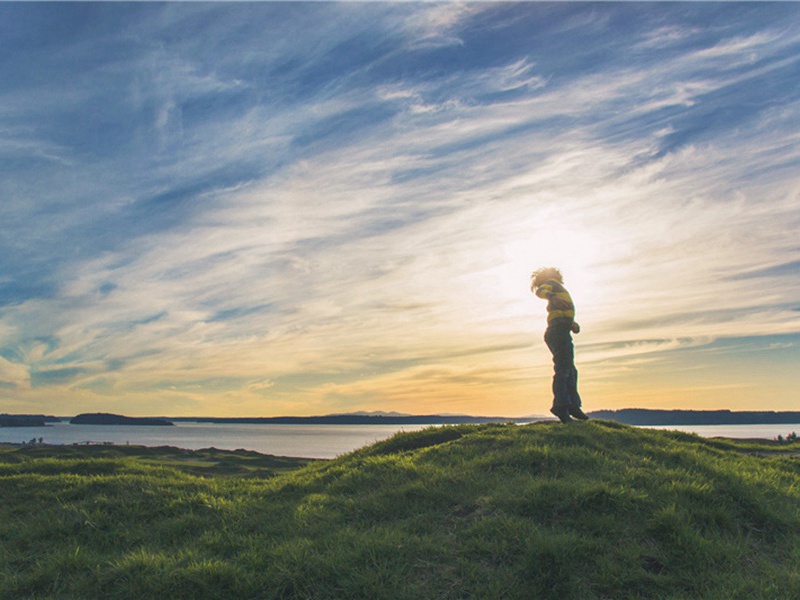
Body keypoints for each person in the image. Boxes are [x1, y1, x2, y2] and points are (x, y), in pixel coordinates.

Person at [531, 267, 588, 423]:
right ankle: (561, 406)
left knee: (570, 370)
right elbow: (540, 291)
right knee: (563, 370)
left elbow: (560, 311)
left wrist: (572, 323)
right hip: (557, 332)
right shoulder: (552, 284)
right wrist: (552, 296)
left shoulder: (558, 288)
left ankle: (572, 405)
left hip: (562, 330)